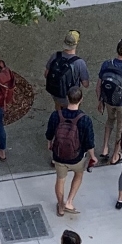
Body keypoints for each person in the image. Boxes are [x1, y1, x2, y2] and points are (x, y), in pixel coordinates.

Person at [47, 87, 96, 217]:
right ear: (81, 100)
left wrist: (50, 144)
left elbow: (49, 134)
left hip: (59, 156)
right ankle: (69, 201)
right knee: (78, 175)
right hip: (77, 157)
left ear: (67, 98)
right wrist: (92, 156)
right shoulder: (85, 119)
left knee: (60, 180)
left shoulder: (56, 115)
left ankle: (61, 207)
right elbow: (89, 142)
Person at [44, 30, 89, 111]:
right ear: (76, 43)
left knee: (58, 109)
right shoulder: (79, 62)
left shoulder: (55, 56)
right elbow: (86, 84)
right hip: (72, 97)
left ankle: (59, 118)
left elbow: (46, 74)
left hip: (55, 94)